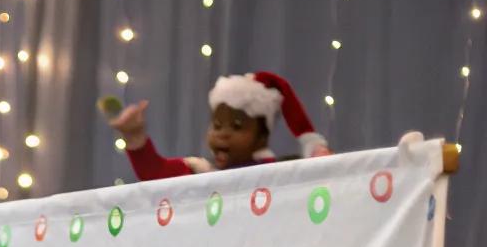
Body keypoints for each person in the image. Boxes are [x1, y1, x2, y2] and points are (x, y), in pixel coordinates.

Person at [106, 71, 328, 183]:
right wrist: (134, 136)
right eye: (217, 125)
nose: (222, 134)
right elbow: (154, 171)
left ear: (261, 137)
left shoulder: (281, 176)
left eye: (237, 126)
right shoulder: (200, 173)